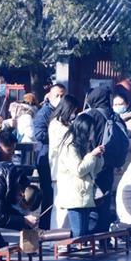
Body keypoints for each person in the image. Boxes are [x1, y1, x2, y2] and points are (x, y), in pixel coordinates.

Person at [82, 86, 127, 233]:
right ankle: (103, 235)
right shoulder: (115, 116)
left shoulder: (90, 115)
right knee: (105, 200)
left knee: (90, 200)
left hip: (92, 162)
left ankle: (90, 233)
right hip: (109, 164)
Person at [57, 113, 105, 237]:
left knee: (83, 232)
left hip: (84, 195)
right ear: (84, 130)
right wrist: (92, 155)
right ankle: (71, 247)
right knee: (78, 232)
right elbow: (79, 170)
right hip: (74, 195)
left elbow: (94, 170)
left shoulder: (83, 146)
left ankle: (78, 247)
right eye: (91, 131)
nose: (93, 134)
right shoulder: (69, 146)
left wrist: (98, 157)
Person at [32, 83, 65, 229]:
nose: (60, 98)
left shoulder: (62, 111)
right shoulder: (44, 113)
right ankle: (45, 225)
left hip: (56, 156)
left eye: (62, 95)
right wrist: (57, 135)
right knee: (48, 192)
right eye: (57, 95)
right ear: (50, 96)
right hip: (45, 157)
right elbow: (39, 134)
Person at [48, 94, 79, 229]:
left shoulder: (64, 123)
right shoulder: (56, 124)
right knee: (60, 206)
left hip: (66, 170)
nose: (74, 113)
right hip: (59, 171)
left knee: (65, 205)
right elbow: (67, 139)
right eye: (73, 110)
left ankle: (63, 233)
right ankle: (56, 235)